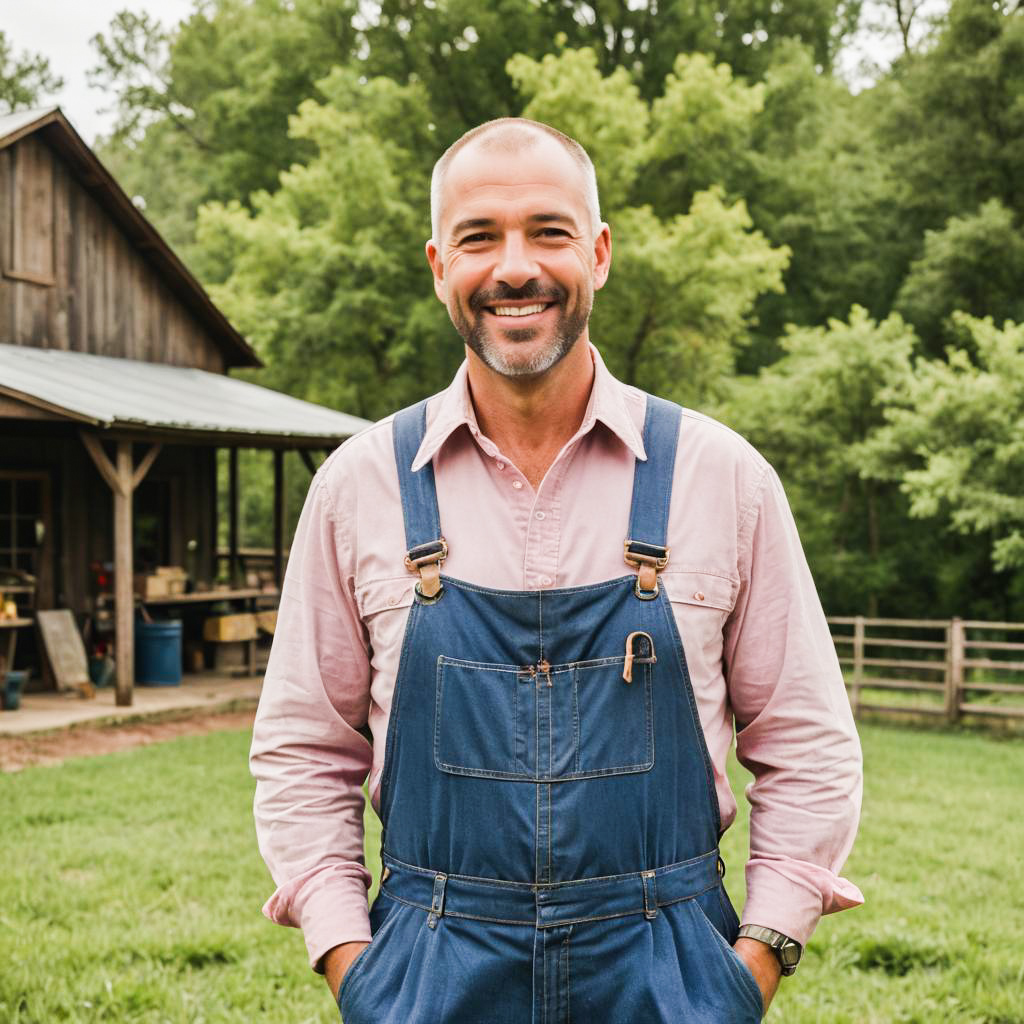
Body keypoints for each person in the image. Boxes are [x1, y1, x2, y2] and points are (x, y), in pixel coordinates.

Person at [250, 117, 863, 1024]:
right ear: (437, 266)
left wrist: (754, 961)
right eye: (478, 238)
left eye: (548, 230)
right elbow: (304, 749)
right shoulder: (359, 486)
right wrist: (356, 968)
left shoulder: (722, 477)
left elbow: (807, 741)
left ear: (600, 253)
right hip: (428, 976)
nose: (513, 267)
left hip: (670, 975)